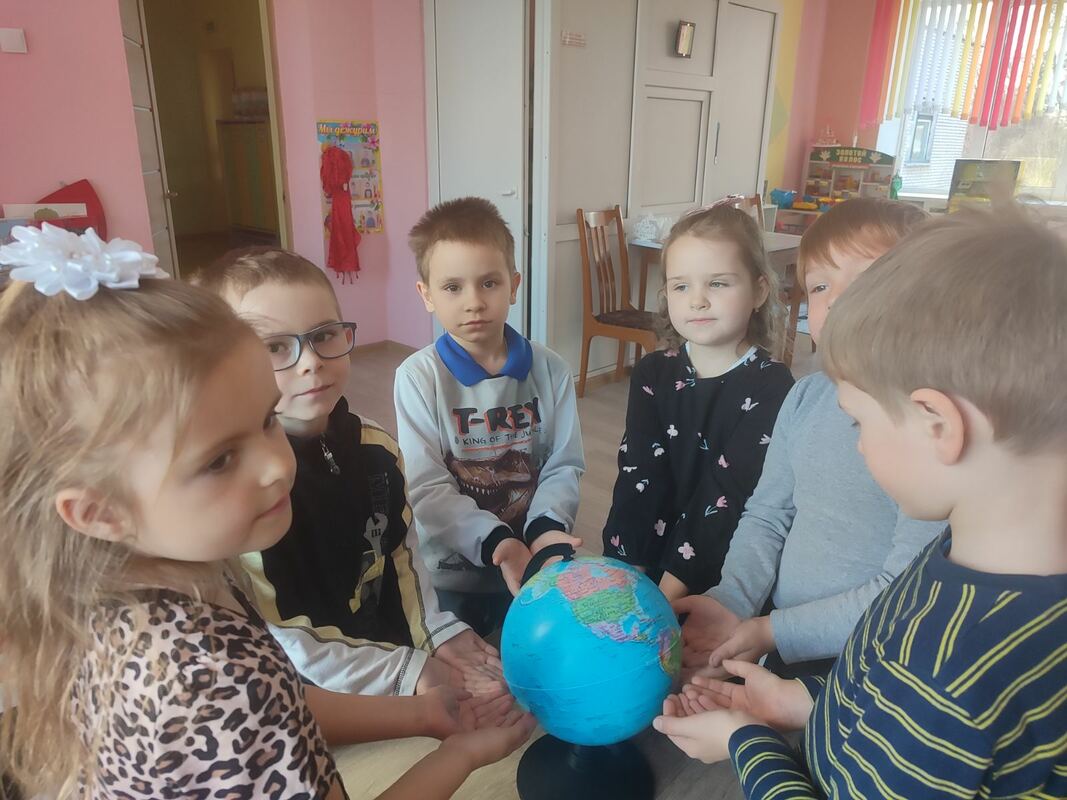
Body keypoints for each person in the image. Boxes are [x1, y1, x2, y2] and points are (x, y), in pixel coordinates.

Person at [0, 225, 532, 798]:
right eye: (220, 459)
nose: (278, 466)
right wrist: (462, 755)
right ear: (99, 512)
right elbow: (265, 690)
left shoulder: (149, 587)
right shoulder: (207, 677)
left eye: (265, 420)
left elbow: (285, 697)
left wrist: (424, 714)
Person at [653, 207, 1067, 799]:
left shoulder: (948, 667)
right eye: (822, 285)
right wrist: (803, 701)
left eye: (860, 422)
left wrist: (746, 743)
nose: (858, 444)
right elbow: (875, 684)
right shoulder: (953, 562)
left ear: (938, 425)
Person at [195, 247, 502, 701]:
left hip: (394, 663)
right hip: (314, 703)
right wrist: (409, 672)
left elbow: (402, 559)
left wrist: (437, 633)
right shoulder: (242, 492)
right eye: (274, 347)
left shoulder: (378, 450)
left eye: (324, 335)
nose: (310, 361)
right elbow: (284, 640)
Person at [674, 199, 943, 678]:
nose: (837, 299)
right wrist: (732, 599)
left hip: (873, 661)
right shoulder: (805, 397)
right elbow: (768, 513)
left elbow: (905, 590)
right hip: (778, 637)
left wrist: (773, 631)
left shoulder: (931, 427)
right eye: (820, 285)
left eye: (867, 276)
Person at [395, 197, 585, 635]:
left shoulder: (551, 369)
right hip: (452, 576)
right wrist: (497, 541)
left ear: (513, 286)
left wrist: (546, 529)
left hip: (536, 558)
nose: (474, 302)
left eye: (489, 283)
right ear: (426, 295)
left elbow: (563, 464)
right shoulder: (418, 378)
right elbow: (426, 486)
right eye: (452, 287)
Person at [602, 204, 794, 599]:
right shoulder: (652, 373)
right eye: (681, 286)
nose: (698, 301)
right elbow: (639, 477)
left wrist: (667, 598)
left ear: (759, 291)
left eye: (718, 284)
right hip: (648, 563)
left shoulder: (773, 384)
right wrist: (626, 580)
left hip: (721, 581)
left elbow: (728, 493)